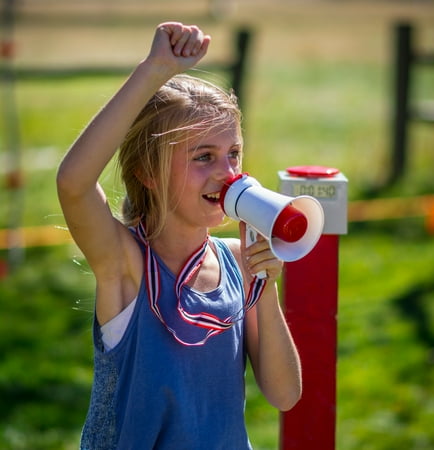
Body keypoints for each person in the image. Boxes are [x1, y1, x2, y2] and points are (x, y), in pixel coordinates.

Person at [57, 22, 301, 449]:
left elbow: (284, 394)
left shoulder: (240, 260)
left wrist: (266, 288)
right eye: (203, 157)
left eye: (233, 154)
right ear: (147, 173)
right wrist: (155, 70)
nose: (226, 174)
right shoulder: (127, 263)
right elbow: (74, 184)